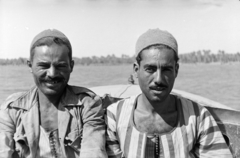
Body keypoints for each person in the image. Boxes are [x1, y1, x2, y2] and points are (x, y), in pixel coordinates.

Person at [105, 29, 233, 158]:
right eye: (150, 69)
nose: (159, 79)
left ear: (176, 70)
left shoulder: (198, 117)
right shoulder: (115, 116)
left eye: (166, 69)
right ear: (136, 70)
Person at [0, 29, 107, 158]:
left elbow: (93, 152)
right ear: (30, 66)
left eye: (60, 66)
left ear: (71, 66)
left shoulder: (87, 105)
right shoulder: (12, 109)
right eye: (43, 66)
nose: (52, 74)